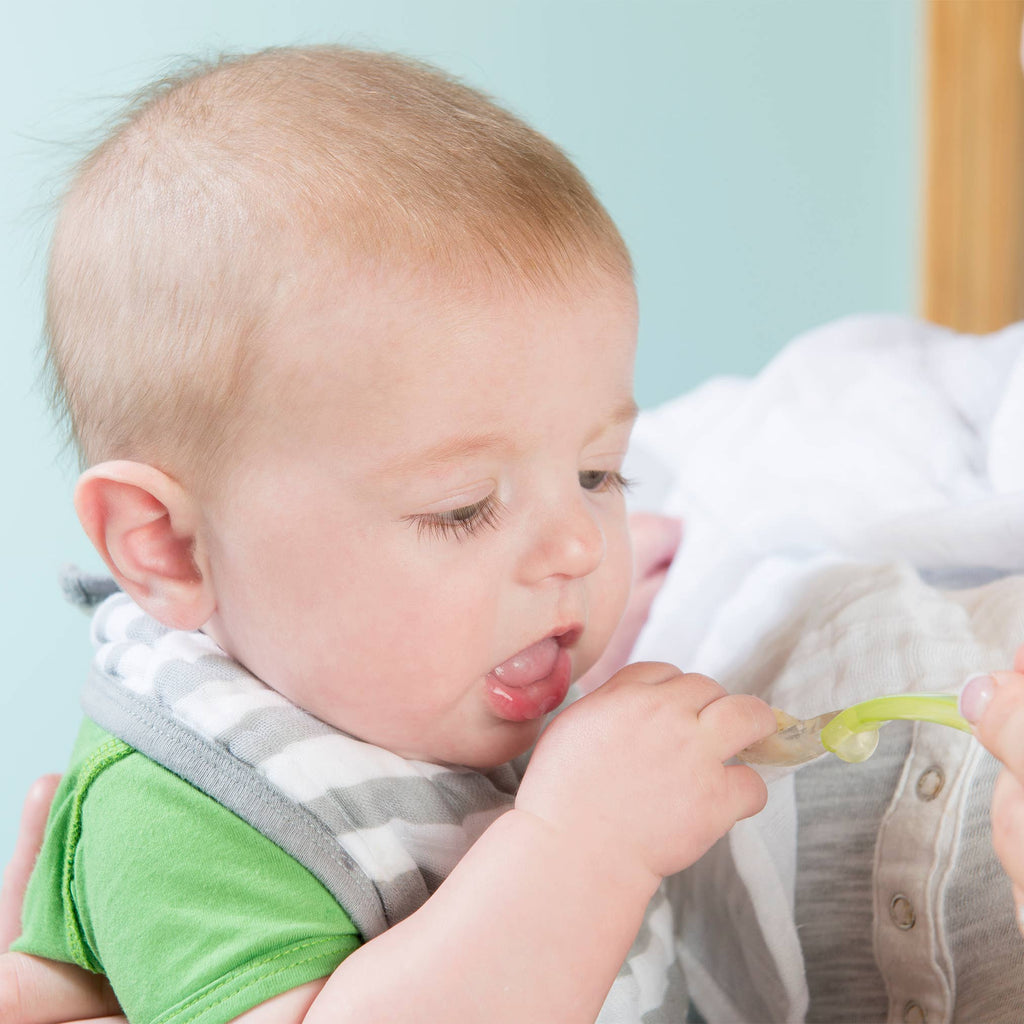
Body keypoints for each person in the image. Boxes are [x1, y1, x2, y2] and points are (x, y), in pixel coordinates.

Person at [0, 45, 775, 1024]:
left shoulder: (407, 688)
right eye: (462, 508)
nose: (577, 547)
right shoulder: (188, 801)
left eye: (596, 474)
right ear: (169, 547)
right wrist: (585, 846)